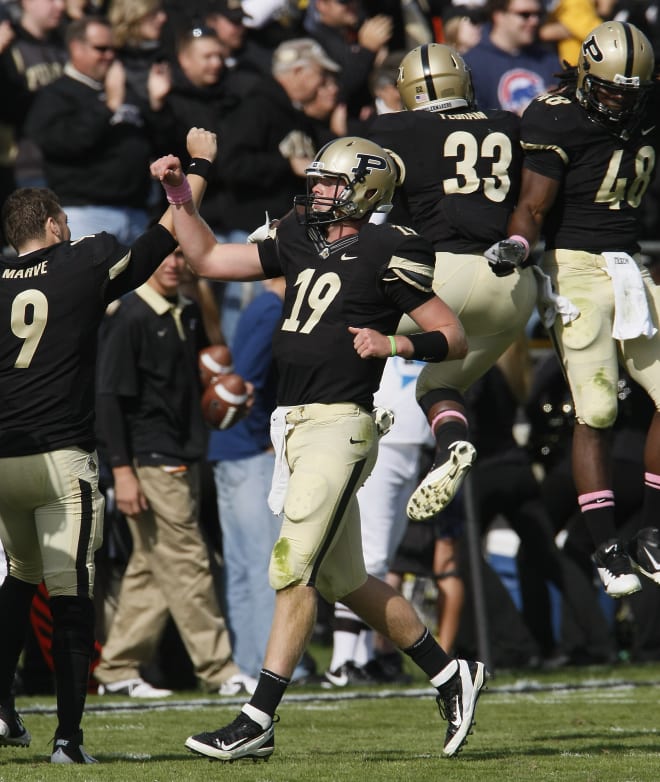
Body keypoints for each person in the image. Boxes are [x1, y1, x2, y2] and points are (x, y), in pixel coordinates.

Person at [151, 130, 487, 761]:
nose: (319, 192)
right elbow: (208, 259)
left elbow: (454, 334)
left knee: (293, 567)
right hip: (294, 425)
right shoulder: (300, 238)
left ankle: (258, 718)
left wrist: (395, 345)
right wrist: (179, 193)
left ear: (365, 190)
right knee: (346, 579)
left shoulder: (391, 247)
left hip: (342, 425)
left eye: (331, 183)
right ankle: (452, 675)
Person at [0, 128, 212, 762]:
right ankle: (68, 737)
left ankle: (3, 706)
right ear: (57, 224)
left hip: (5, 454)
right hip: (62, 457)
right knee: (71, 596)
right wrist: (197, 166)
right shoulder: (81, 259)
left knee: (20, 576)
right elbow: (166, 235)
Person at [489, 20, 660, 597]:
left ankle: (653, 534)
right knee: (597, 410)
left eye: (630, 92)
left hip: (631, 265)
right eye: (611, 88)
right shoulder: (555, 116)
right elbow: (532, 208)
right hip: (576, 269)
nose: (619, 101)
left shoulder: (648, 106)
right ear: (587, 74)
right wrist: (517, 246)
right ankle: (606, 545)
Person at [367, 43, 537, 522]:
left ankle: (357, 420)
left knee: (339, 321)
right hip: (511, 288)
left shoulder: (395, 128)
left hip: (442, 275)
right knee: (437, 382)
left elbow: (369, 202)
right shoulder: (506, 122)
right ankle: (452, 443)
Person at [93, 244, 252, 698]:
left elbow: (199, 388)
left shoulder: (186, 311)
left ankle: (118, 668)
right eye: (164, 255)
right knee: (189, 562)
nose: (173, 263)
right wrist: (121, 471)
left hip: (181, 456)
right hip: (152, 460)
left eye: (181, 256)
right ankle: (220, 670)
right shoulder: (129, 318)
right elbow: (108, 400)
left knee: (151, 566)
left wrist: (231, 399)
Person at [23, 15, 171, 243]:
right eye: (101, 49)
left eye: (113, 49)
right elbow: (66, 143)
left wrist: (158, 105)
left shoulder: (124, 91)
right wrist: (108, 106)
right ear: (75, 48)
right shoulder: (56, 94)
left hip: (136, 214)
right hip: (85, 213)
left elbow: (158, 144)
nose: (109, 56)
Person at [463, 0, 560, 115]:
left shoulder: (548, 59)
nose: (534, 21)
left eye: (539, 14)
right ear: (499, 15)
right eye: (525, 14)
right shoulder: (471, 65)